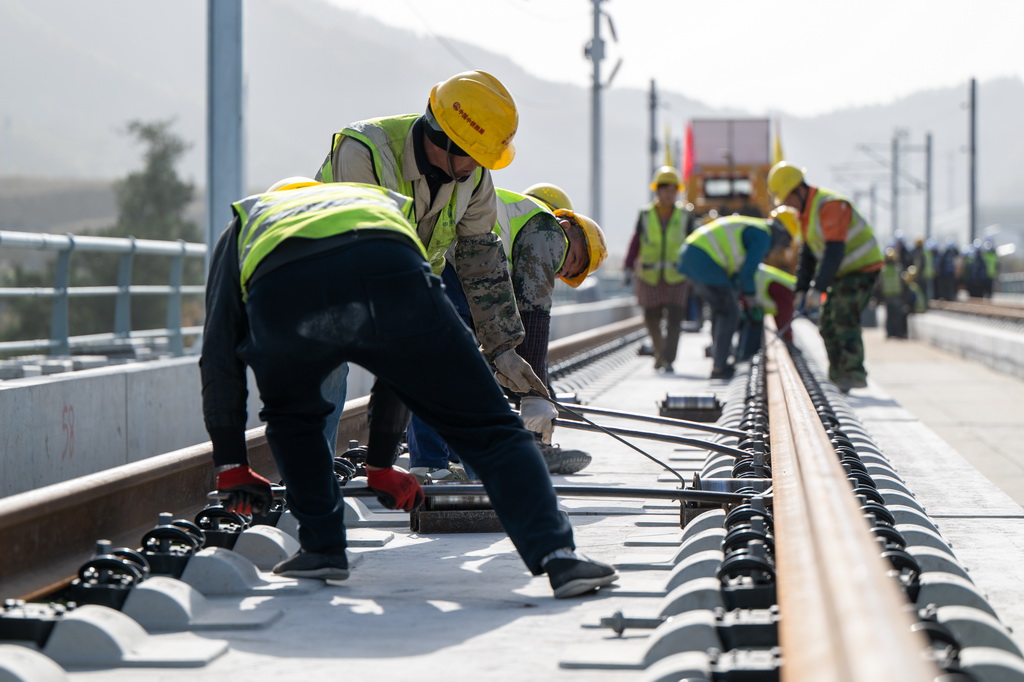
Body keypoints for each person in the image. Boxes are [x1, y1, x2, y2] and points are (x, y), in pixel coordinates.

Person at [201, 179, 618, 598]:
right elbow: (400, 364)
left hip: (286, 289)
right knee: (487, 422)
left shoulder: (248, 222)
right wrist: (380, 464)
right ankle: (558, 557)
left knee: (295, 416)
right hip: (387, 265)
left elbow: (219, 354)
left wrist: (231, 463)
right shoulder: (374, 202)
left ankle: (322, 547)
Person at [314, 70, 548, 474]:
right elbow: (369, 255)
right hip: (329, 274)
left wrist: (503, 349)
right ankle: (311, 484)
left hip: (408, 283)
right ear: (443, 140)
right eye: (473, 154)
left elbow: (481, 262)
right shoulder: (365, 153)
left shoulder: (472, 177)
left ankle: (463, 471)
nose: (477, 166)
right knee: (328, 371)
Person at [406, 184, 608, 478]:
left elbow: (513, 322)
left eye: (568, 274)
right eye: (574, 259)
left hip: (451, 262)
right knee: (450, 367)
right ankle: (432, 463)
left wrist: (536, 388)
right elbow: (535, 313)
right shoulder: (549, 231)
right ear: (567, 227)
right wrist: (535, 394)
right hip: (454, 262)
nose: (562, 270)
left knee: (456, 367)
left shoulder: (524, 227)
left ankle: (447, 459)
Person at [767, 161, 884, 393]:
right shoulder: (805, 214)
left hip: (862, 268)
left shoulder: (829, 205)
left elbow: (834, 251)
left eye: (787, 198)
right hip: (843, 272)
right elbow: (808, 254)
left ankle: (852, 374)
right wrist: (801, 288)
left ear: (799, 190)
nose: (787, 205)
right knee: (827, 322)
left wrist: (818, 287)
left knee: (842, 314)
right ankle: (838, 376)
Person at [677, 213, 790, 379]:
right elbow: (748, 271)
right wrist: (751, 299)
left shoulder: (754, 227)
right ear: (781, 233)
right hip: (703, 258)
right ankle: (720, 366)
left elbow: (737, 271)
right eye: (784, 243)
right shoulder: (763, 235)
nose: (778, 249)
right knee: (730, 312)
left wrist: (739, 294)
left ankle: (719, 359)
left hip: (692, 255)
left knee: (721, 310)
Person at [623, 166, 694, 374]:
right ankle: (660, 352)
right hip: (650, 275)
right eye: (666, 189)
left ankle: (667, 359)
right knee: (651, 318)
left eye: (673, 190)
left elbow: (693, 244)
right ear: (658, 190)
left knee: (675, 320)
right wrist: (628, 266)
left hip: (677, 276)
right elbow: (635, 242)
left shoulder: (685, 215)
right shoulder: (646, 214)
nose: (669, 194)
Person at [735, 207, 800, 360]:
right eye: (785, 242)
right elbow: (784, 319)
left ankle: (743, 356)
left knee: (750, 322)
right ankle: (744, 357)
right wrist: (789, 345)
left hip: (742, 288)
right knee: (750, 322)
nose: (781, 248)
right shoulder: (786, 289)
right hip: (745, 290)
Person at [877, 247, 908, 339]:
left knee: (889, 316)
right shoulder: (898, 268)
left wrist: (879, 297)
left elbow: (880, 285)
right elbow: (903, 282)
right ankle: (898, 333)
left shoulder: (883, 270)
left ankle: (890, 333)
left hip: (887, 296)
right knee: (897, 316)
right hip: (897, 295)